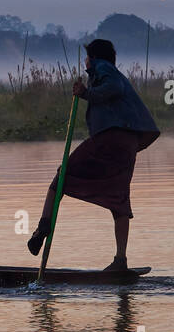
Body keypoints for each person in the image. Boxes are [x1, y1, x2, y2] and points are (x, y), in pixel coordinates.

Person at [27, 39, 160, 272]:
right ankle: (120, 261)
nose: (85, 62)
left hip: (109, 140)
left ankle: (43, 226)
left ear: (95, 57)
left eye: (87, 57)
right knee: (119, 200)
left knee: (60, 178)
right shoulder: (107, 71)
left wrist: (86, 92)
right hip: (127, 144)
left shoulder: (103, 68)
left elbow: (113, 88)